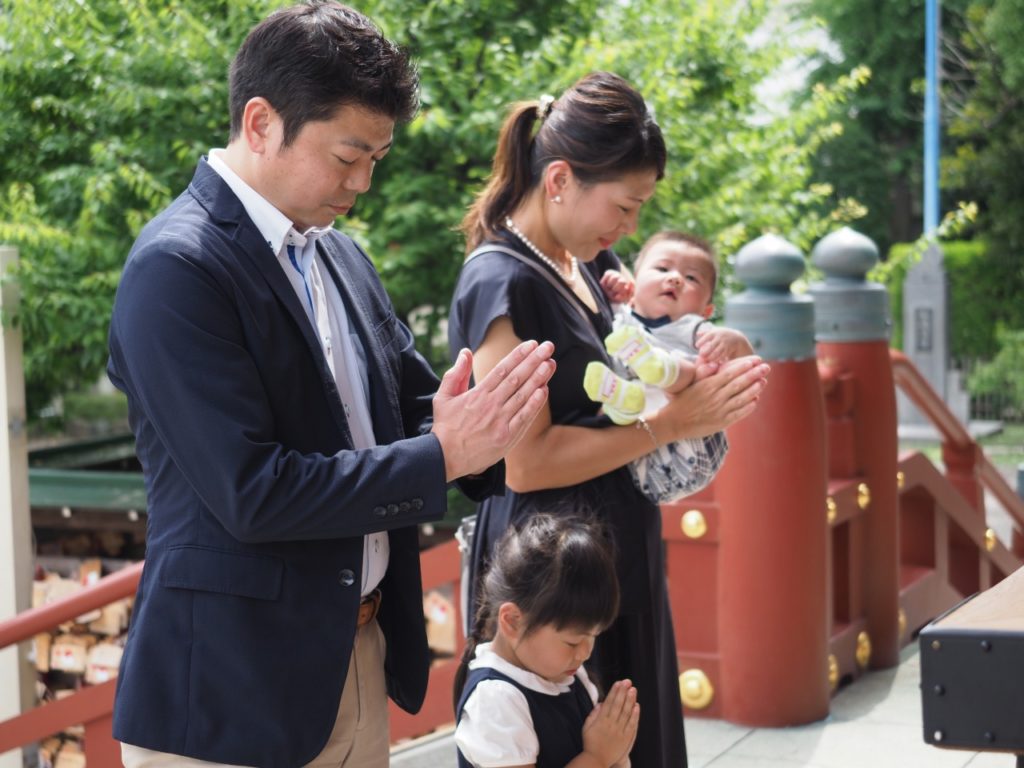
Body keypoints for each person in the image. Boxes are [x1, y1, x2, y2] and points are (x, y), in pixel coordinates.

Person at [105, 3, 554, 767]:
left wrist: (487, 424)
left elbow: (418, 411)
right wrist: (442, 454)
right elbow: (254, 491)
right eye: (348, 157)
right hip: (228, 685)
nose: (364, 183)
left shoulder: (338, 255)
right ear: (260, 123)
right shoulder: (175, 270)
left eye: (376, 159)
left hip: (358, 652)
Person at [447, 71, 771, 767]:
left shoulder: (591, 264)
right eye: (624, 207)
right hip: (551, 577)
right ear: (559, 178)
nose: (629, 228)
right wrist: (671, 426)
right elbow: (525, 460)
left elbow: (665, 354)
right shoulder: (500, 277)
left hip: (614, 552)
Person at [454, 513, 637, 768]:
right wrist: (599, 756)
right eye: (572, 642)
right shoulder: (496, 700)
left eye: (593, 636)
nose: (585, 652)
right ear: (513, 620)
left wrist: (617, 751)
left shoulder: (569, 676)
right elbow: (600, 755)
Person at [584, 231, 755, 502]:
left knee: (695, 370)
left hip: (685, 453)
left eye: (691, 278)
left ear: (706, 310)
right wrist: (612, 289)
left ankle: (661, 368)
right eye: (662, 268)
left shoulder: (695, 329)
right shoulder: (620, 315)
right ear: (634, 283)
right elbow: (609, 298)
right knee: (611, 397)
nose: (675, 278)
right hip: (635, 448)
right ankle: (622, 400)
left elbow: (745, 367)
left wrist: (735, 341)